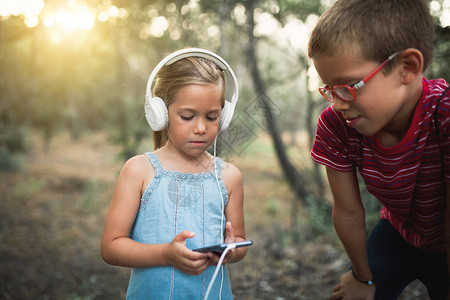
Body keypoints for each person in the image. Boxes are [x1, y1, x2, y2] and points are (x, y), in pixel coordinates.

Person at [308, 0, 449, 299]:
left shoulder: (444, 115)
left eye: (347, 86)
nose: (338, 103)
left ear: (407, 67)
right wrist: (362, 277)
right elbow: (347, 212)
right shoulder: (336, 124)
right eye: (330, 89)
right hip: (398, 233)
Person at [101, 48, 247, 299]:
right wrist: (165, 254)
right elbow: (111, 247)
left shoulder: (228, 176)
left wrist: (230, 251)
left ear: (224, 118)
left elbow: (240, 241)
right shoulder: (139, 170)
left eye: (212, 117)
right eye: (187, 116)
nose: (201, 128)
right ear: (160, 113)